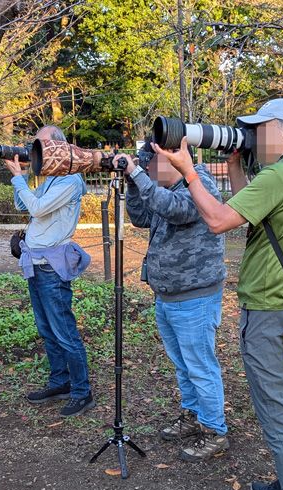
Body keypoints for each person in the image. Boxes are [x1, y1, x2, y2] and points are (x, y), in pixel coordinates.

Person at [151, 98, 283, 490]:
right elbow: (252, 208)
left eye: (258, 128)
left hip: (270, 314)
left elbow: (218, 220)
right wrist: (234, 165)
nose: (250, 135)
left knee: (278, 411)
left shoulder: (282, 175)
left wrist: (189, 171)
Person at [112, 139, 228, 462]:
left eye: (149, 166)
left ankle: (214, 431)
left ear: (167, 160)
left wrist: (137, 175)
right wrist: (132, 183)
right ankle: (192, 417)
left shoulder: (199, 183)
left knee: (201, 367)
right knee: (184, 366)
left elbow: (175, 209)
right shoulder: (163, 187)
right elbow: (139, 216)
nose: (147, 170)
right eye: (144, 166)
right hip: (167, 296)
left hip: (195, 298)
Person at [3, 126, 95, 417]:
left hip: (52, 269)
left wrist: (19, 178)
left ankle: (82, 391)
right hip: (37, 265)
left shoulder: (70, 180)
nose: (36, 150)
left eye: (40, 145)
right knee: (46, 329)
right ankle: (60, 382)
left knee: (64, 331)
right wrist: (26, 173)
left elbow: (39, 209)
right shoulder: (53, 179)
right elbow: (23, 203)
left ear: (58, 147)